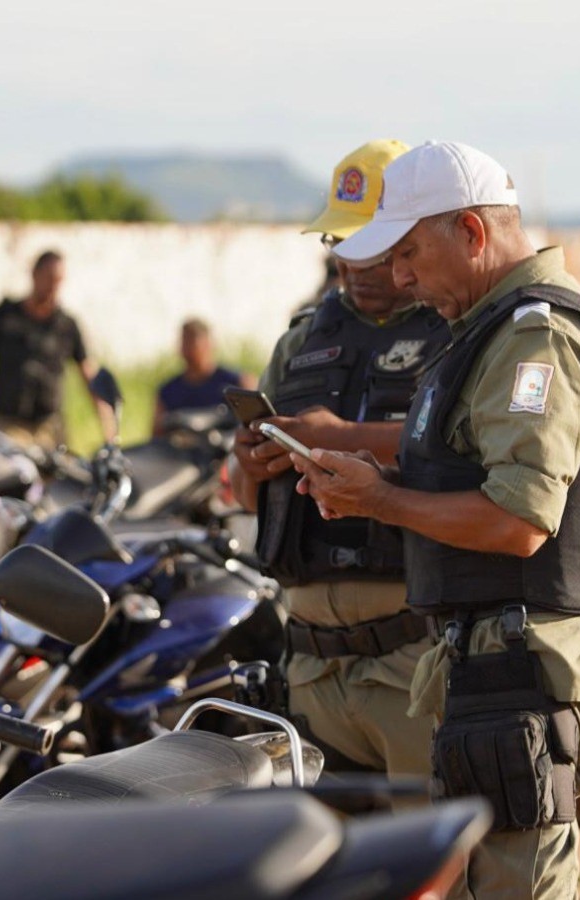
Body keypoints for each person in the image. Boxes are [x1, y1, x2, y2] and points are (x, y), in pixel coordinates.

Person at [294, 140, 580, 898]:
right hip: (485, 666)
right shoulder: (487, 331)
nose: (402, 277)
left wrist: (380, 499)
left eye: (411, 253)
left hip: (526, 670)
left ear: (473, 234)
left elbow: (519, 521)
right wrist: (370, 483)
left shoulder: (535, 338)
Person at [230, 139, 448, 780]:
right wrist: (253, 463)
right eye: (339, 245)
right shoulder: (300, 341)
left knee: (425, 859)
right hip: (311, 663)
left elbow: (464, 453)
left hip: (412, 654)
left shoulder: (456, 331)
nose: (353, 266)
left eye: (370, 248)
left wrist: (345, 435)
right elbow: (249, 501)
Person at [0, 251, 103, 450]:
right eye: (49, 279)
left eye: (58, 281)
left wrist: (108, 428)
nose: (53, 287)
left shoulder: (66, 325)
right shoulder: (3, 316)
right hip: (9, 425)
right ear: (34, 275)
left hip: (49, 428)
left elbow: (89, 374)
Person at [151, 318, 252, 435]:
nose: (188, 348)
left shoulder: (237, 383)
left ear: (209, 344)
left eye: (193, 341)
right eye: (185, 341)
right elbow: (156, 436)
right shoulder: (168, 391)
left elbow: (253, 426)